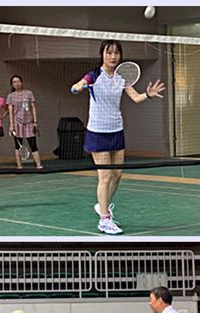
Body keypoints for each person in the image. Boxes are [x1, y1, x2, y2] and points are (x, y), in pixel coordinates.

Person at [71, 40, 165, 235]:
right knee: (105, 176)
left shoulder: (122, 78)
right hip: (98, 131)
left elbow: (136, 97)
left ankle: (102, 205)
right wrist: (78, 87)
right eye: (109, 52)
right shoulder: (94, 75)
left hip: (116, 130)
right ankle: (104, 220)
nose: (113, 56)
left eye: (116, 53)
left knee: (117, 175)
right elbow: (77, 86)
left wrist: (148, 94)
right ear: (102, 55)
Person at [7, 75, 43, 169]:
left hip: (29, 122)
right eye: (14, 82)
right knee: (17, 145)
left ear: (22, 82)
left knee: (33, 144)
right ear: (12, 84)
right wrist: (11, 125)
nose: (16, 84)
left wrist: (35, 121)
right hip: (17, 123)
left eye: (18, 81)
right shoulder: (10, 96)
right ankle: (19, 166)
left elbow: (33, 107)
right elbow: (10, 112)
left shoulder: (29, 93)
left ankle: (39, 165)